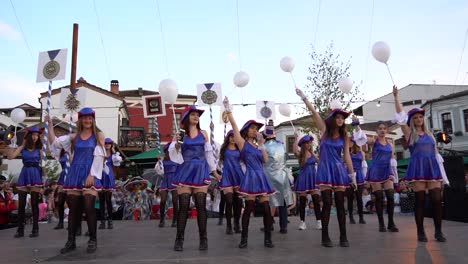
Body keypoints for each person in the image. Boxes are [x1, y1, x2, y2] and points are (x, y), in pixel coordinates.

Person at [296, 88, 356, 248]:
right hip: (324, 169)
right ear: (332, 119)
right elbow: (314, 112)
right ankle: (325, 236)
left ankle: (343, 236)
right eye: (338, 117)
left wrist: (352, 175)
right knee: (327, 203)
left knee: (340, 204)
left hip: (338, 170)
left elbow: (347, 157)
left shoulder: (345, 136)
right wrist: (304, 98)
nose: (341, 119)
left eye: (342, 117)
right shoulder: (324, 131)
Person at [47, 107, 106, 253]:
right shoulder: (74, 136)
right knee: (73, 210)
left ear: (93, 119)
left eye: (90, 118)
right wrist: (49, 124)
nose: (87, 120)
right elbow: (55, 143)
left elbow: (100, 155)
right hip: (74, 172)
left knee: (89, 205)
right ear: (80, 120)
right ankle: (70, 241)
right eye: (84, 118)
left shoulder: (98, 135)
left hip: (90, 172)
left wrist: (92, 174)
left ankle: (93, 239)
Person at [393, 85, 446, 242]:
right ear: (412, 120)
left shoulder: (430, 135)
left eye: (420, 117)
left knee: (437, 200)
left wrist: (442, 172)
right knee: (420, 201)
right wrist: (396, 98)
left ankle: (438, 231)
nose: (418, 119)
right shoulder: (410, 134)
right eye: (415, 117)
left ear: (423, 119)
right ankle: (421, 232)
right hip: (418, 169)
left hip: (432, 169)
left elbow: (436, 154)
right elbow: (401, 116)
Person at [223, 97, 276, 249]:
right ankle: (244, 238)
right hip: (251, 177)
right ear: (247, 130)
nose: (255, 130)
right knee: (249, 207)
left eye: (256, 128)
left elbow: (265, 160)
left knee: (266, 209)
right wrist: (229, 110)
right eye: (252, 128)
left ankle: (268, 238)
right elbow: (234, 125)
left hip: (261, 176)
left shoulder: (258, 144)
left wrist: (261, 145)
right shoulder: (242, 143)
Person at [168, 105, 220, 251]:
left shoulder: (203, 133)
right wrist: (177, 144)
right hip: (185, 170)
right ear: (186, 117)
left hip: (200, 170)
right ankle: (179, 239)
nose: (196, 117)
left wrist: (214, 171)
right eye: (193, 115)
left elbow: (208, 154)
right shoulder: (179, 134)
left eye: (197, 115)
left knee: (201, 206)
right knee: (183, 206)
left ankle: (203, 239)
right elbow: (174, 155)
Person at [352, 117, 398, 232]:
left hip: (387, 170)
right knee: (379, 198)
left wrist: (395, 173)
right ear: (377, 131)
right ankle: (381, 224)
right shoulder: (374, 141)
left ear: (387, 130)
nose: (382, 130)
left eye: (384, 128)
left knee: (391, 197)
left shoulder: (390, 144)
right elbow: (362, 138)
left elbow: (392, 159)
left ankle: (391, 223)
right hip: (376, 171)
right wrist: (357, 125)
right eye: (380, 129)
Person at [8, 126, 44, 238]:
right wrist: (12, 145)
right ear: (29, 136)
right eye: (33, 135)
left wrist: (44, 179)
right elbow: (10, 157)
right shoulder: (22, 147)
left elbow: (43, 165)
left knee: (34, 203)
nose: (35, 137)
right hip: (25, 173)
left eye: (37, 135)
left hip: (35, 174)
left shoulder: (40, 149)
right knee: (22, 203)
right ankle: (20, 230)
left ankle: (35, 229)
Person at [263, 122, 294, 234]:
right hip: (282, 175)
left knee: (269, 201)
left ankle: (269, 224)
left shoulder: (263, 147)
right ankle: (283, 226)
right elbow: (285, 159)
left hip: (269, 176)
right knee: (283, 201)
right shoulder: (281, 145)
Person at [293, 133, 322, 230]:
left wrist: (312, 153)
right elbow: (294, 151)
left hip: (313, 177)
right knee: (302, 201)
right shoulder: (300, 155)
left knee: (316, 200)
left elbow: (318, 161)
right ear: (303, 144)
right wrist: (295, 138)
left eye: (310, 143)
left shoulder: (312, 153)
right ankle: (302, 222)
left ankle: (319, 221)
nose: (309, 144)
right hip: (303, 178)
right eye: (307, 143)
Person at [218, 130, 243, 234]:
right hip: (227, 175)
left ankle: (236, 224)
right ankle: (228, 225)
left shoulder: (240, 148)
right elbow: (218, 163)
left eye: (234, 137)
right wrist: (218, 173)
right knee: (228, 201)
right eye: (231, 136)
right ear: (227, 137)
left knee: (238, 202)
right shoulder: (223, 150)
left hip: (238, 175)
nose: (233, 138)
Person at [98, 138, 121, 230]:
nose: (107, 145)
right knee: (101, 201)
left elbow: (117, 165)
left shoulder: (114, 156)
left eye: (109, 143)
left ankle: (110, 221)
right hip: (100, 177)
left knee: (108, 200)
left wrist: (114, 152)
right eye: (106, 143)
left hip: (109, 178)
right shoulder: (100, 155)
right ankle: (102, 221)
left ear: (111, 145)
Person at [346, 136, 367, 225]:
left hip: (359, 175)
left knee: (359, 198)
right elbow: (345, 164)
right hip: (350, 175)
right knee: (350, 198)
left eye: (350, 142)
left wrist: (365, 177)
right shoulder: (347, 153)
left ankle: (361, 217)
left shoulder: (361, 153)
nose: (349, 143)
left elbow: (364, 165)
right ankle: (351, 216)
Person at [158, 143, 179, 228]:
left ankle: (175, 220)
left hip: (174, 179)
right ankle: (162, 219)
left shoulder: (177, 158)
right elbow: (159, 171)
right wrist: (159, 162)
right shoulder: (163, 160)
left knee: (174, 201)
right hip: (165, 179)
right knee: (162, 201)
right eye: (168, 150)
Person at [53, 149, 68, 230]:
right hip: (63, 177)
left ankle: (72, 223)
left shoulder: (74, 151)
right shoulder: (61, 153)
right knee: (60, 201)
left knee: (71, 202)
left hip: (71, 175)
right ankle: (61, 222)